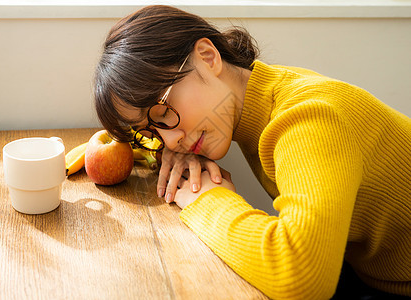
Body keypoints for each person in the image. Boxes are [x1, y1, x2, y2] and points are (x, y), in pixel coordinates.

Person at [93, 5, 410, 299]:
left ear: (207, 56)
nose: (171, 139)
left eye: (163, 112)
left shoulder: (307, 116)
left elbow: (302, 276)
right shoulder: (262, 90)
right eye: (151, 131)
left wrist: (205, 199)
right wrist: (165, 150)